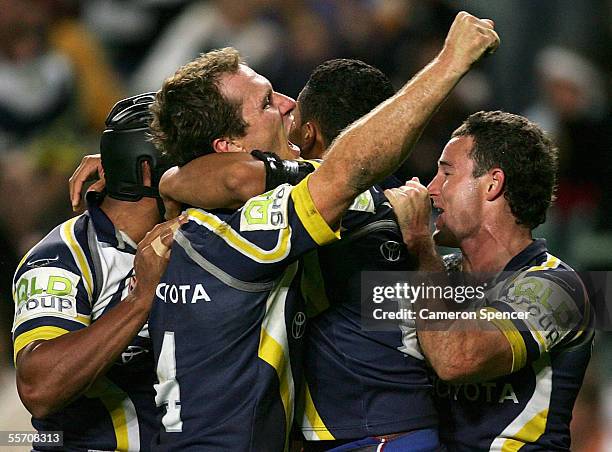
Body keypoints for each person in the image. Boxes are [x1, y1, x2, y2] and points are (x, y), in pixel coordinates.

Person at [146, 11, 499, 451]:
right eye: (266, 103)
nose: (287, 103)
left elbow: (231, 178)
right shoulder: (253, 229)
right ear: (227, 146)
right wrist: (451, 61)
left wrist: (163, 179)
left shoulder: (180, 225)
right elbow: (342, 173)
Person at [384, 110, 593, 450]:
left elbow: (457, 359)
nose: (431, 189)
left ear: (493, 184)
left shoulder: (562, 289)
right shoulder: (437, 275)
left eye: (446, 173)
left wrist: (421, 248)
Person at [12, 93, 183, 451]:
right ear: (150, 171)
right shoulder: (62, 257)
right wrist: (140, 300)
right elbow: (38, 388)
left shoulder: (192, 229)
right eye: (188, 159)